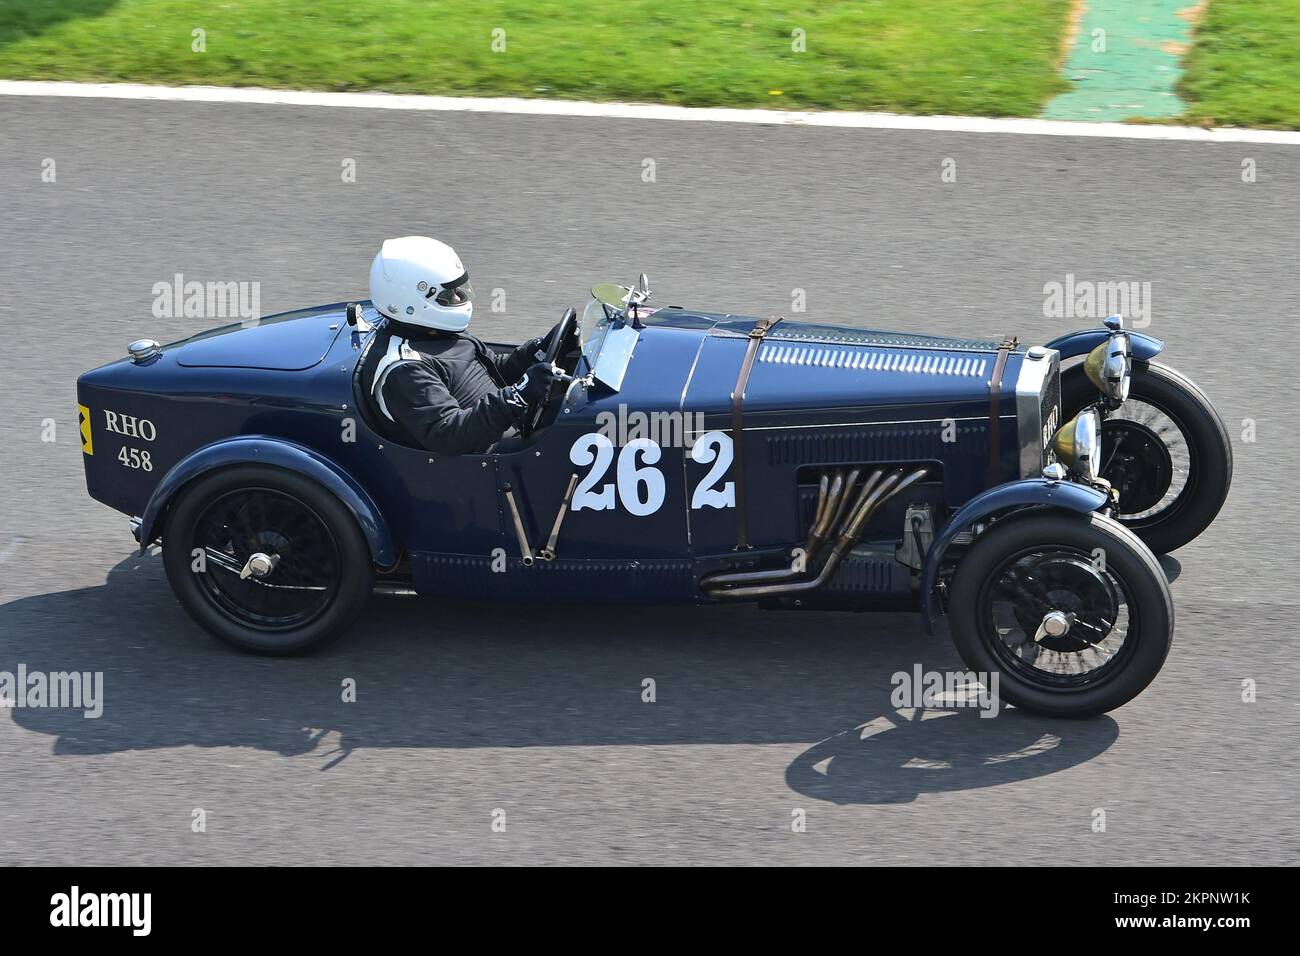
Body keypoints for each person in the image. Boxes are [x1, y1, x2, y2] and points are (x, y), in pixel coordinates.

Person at [364, 236, 576, 454]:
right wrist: (518, 395)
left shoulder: (439, 334)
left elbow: (493, 372)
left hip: (512, 428)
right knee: (585, 425)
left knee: (585, 404)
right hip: (490, 461)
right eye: (449, 294)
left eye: (458, 290)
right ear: (412, 301)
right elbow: (451, 434)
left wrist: (537, 351)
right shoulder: (404, 369)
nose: (458, 298)